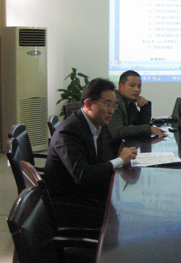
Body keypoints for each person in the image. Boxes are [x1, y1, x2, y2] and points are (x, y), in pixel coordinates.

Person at [44, 78, 137, 209]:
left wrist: (121, 159)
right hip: (71, 204)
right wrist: (120, 160)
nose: (111, 111)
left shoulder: (96, 125)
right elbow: (83, 175)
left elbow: (100, 160)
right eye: (107, 105)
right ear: (88, 104)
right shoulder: (69, 132)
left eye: (114, 105)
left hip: (88, 193)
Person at [108, 70, 167, 140]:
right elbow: (118, 131)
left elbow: (140, 124)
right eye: (132, 86)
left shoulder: (130, 102)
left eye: (139, 86)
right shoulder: (114, 102)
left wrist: (145, 106)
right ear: (120, 86)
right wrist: (148, 129)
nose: (137, 90)